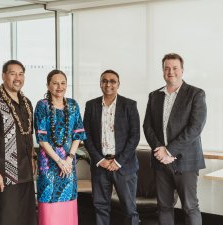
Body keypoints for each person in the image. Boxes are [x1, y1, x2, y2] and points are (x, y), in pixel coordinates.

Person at [143, 53, 207, 225]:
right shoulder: (154, 96)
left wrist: (169, 150)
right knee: (163, 207)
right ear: (163, 71)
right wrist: (159, 150)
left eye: (174, 68)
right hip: (160, 161)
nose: (170, 71)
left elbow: (195, 128)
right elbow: (147, 126)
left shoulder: (196, 94)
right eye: (166, 68)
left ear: (182, 70)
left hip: (185, 161)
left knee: (190, 207)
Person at [0, 60, 37, 225]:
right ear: (3, 76)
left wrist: (32, 157)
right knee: (4, 217)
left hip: (24, 171)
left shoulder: (27, 103)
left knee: (26, 215)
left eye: (21, 74)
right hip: (4, 172)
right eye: (12, 73)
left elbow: (28, 134)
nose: (17, 78)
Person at [83, 70, 140, 225]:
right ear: (100, 83)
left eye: (112, 81)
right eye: (105, 81)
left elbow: (134, 137)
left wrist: (118, 161)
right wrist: (100, 160)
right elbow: (85, 136)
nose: (108, 84)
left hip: (124, 166)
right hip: (100, 166)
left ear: (118, 84)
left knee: (129, 209)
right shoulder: (91, 105)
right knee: (100, 207)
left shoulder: (129, 105)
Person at [34, 69, 86, 225]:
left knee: (68, 201)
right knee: (48, 202)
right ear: (48, 85)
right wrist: (59, 161)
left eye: (63, 83)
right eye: (55, 83)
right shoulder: (42, 106)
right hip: (48, 164)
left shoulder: (73, 105)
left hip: (68, 163)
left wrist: (69, 159)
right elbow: (42, 139)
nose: (59, 87)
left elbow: (78, 134)